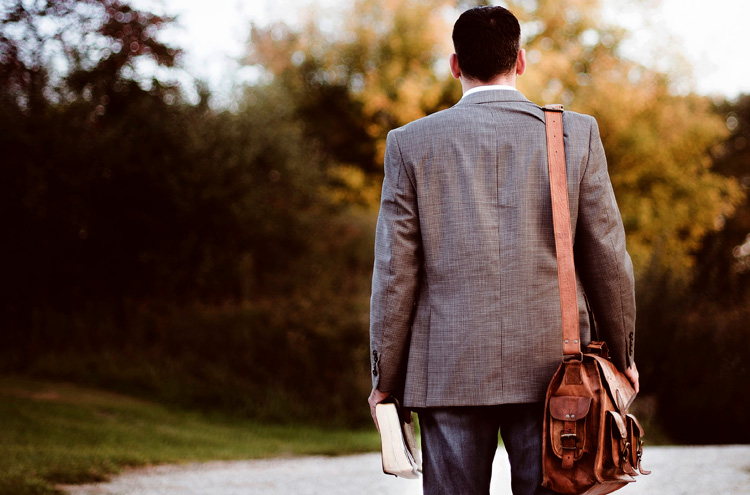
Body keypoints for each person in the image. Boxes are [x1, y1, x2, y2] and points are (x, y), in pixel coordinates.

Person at [367, 5, 639, 495]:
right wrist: (623, 355)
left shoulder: (409, 143)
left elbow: (394, 274)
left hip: (447, 368)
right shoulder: (575, 134)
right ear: (521, 60)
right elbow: (608, 261)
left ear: (455, 65)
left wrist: (385, 376)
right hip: (558, 375)